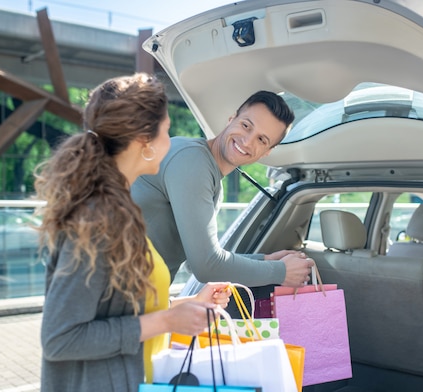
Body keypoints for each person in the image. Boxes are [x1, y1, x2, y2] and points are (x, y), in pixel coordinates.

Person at [34, 73, 231, 392]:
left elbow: (115, 305)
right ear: (145, 141)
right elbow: (60, 338)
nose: (170, 140)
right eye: (167, 130)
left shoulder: (119, 206)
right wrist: (167, 321)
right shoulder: (97, 218)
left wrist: (187, 306)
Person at [130, 90, 314, 291]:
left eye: (262, 140)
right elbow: (205, 266)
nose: (247, 141)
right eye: (246, 126)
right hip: (111, 299)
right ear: (231, 119)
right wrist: (280, 272)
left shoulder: (210, 178)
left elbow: (196, 260)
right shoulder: (192, 161)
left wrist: (265, 260)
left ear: (267, 152)